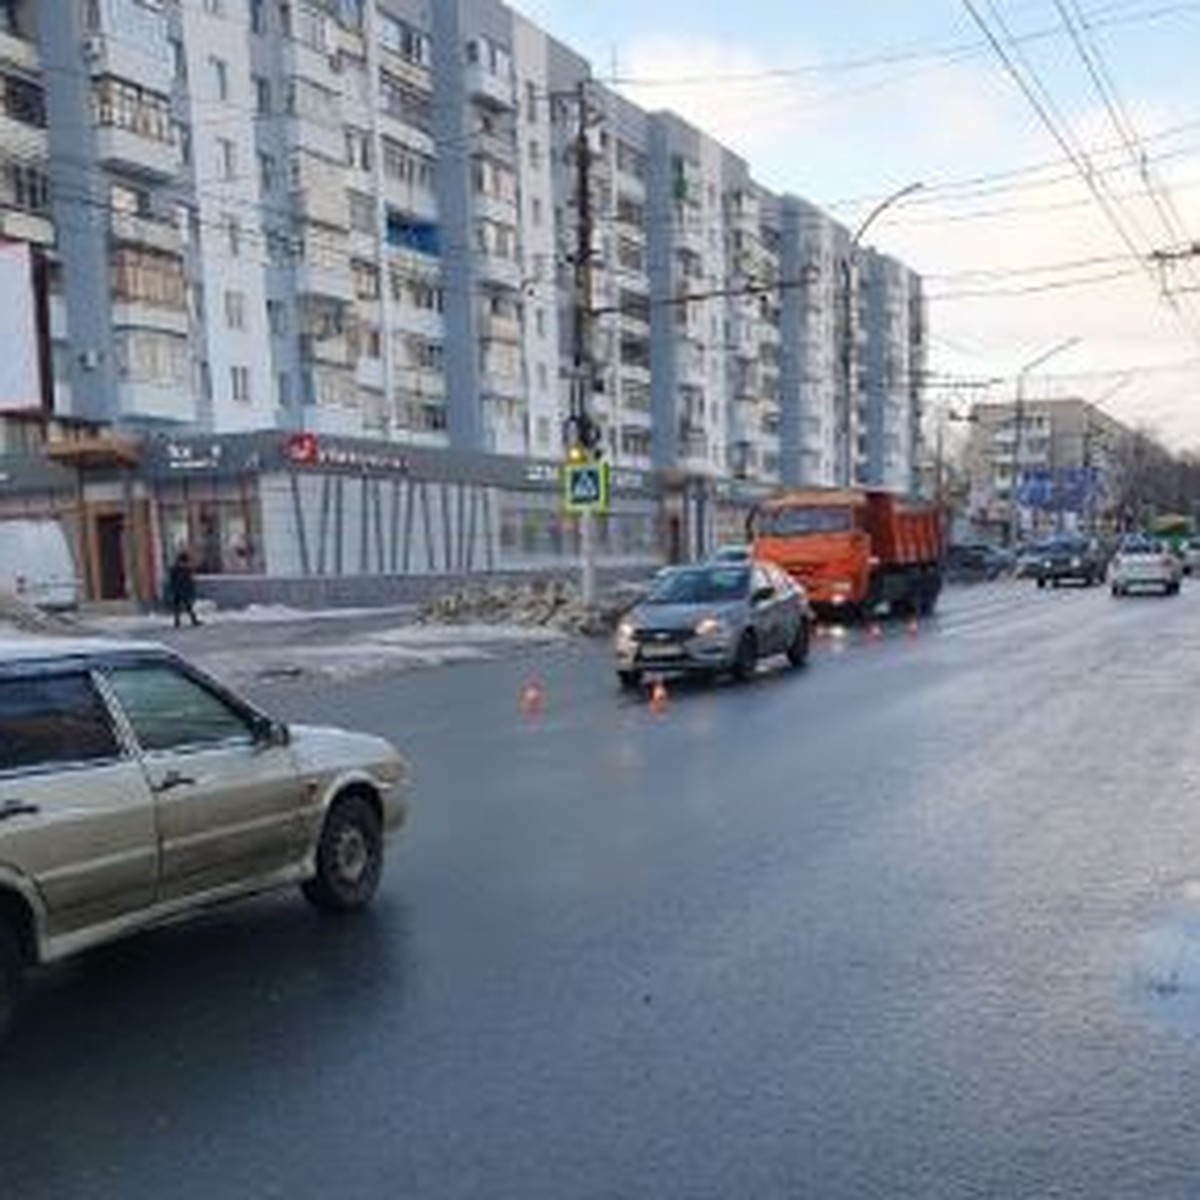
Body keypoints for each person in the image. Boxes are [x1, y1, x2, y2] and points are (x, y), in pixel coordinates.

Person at [167, 550, 200, 629]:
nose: (184, 564)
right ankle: (178, 621)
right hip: (179, 590)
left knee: (187, 607)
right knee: (179, 607)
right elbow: (173, 580)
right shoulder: (178, 570)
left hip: (181, 590)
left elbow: (189, 581)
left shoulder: (184, 570)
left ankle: (190, 620)